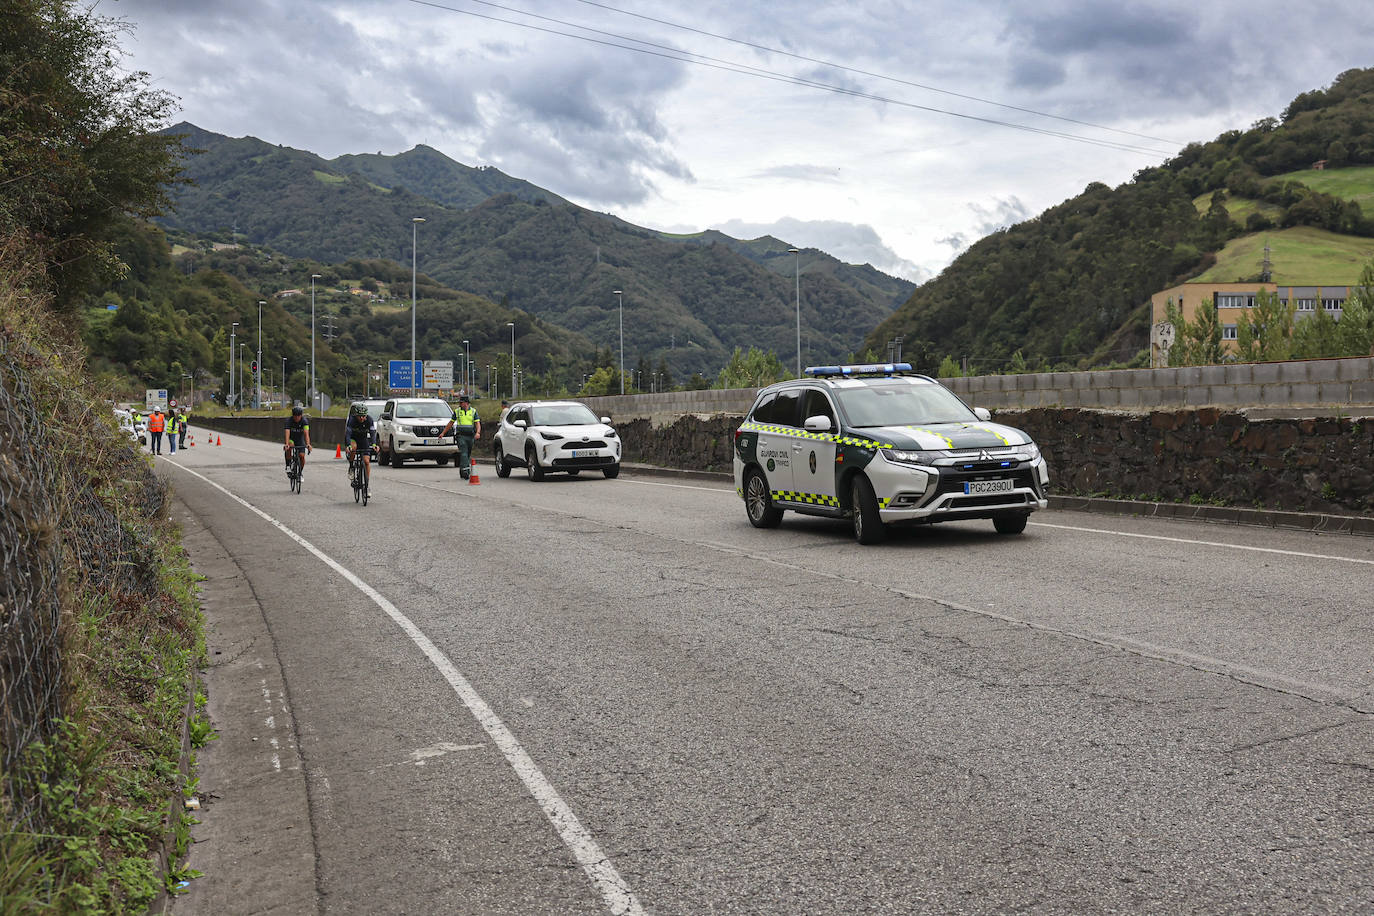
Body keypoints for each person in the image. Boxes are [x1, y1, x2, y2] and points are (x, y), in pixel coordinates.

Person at [448, 394, 481, 479]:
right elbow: (451, 423)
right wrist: (443, 433)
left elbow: (477, 423)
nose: (460, 404)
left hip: (470, 436)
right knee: (464, 453)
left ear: (466, 403)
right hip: (461, 436)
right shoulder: (457, 411)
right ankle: (466, 471)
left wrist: (478, 432)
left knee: (467, 454)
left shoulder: (473, 411)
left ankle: (462, 471)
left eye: (461, 402)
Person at [345, 401, 375, 489]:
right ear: (356, 415)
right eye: (360, 416)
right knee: (353, 448)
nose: (362, 418)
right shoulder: (352, 420)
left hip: (363, 439)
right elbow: (348, 433)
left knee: (366, 461)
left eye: (364, 416)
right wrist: (348, 445)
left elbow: (372, 433)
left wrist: (374, 444)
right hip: (353, 439)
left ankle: (367, 484)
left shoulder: (369, 420)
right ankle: (351, 466)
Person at [283, 405, 311, 477]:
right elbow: (287, 432)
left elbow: (306, 433)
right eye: (295, 416)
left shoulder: (304, 421)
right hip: (291, 438)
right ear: (293, 415)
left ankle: (300, 473)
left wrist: (308, 444)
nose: (297, 418)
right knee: (290, 446)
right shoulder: (289, 421)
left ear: (301, 415)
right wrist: (286, 444)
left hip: (299, 439)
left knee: (301, 456)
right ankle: (288, 465)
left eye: (298, 416)